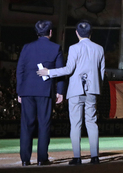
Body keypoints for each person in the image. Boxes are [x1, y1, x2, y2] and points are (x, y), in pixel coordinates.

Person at [37, 20, 105, 165]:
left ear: (76, 33)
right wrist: (98, 88)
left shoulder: (74, 48)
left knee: (76, 124)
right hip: (92, 90)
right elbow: (102, 72)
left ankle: (77, 157)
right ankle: (94, 157)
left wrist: (48, 72)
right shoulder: (99, 49)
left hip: (76, 90)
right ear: (91, 33)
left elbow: (68, 70)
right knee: (92, 123)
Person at [16, 20, 65, 166]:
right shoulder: (56, 48)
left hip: (27, 91)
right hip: (45, 91)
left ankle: (25, 159)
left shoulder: (26, 47)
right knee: (44, 125)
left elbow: (20, 71)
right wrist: (60, 91)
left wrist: (19, 91)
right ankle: (42, 159)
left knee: (26, 125)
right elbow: (60, 73)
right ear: (50, 32)